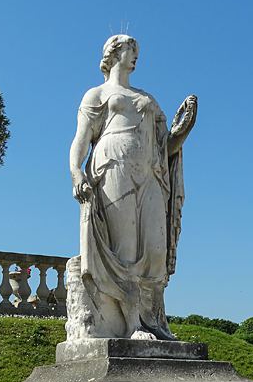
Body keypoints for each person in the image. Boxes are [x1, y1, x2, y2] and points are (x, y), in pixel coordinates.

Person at [68, 34, 197, 340]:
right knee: (125, 250)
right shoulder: (96, 94)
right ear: (114, 53)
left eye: (137, 50)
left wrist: (184, 130)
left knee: (155, 249)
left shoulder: (148, 98)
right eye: (131, 49)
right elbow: (82, 138)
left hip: (150, 172)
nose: (136, 55)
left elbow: (167, 146)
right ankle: (132, 325)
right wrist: (75, 172)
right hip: (113, 167)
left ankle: (155, 322)